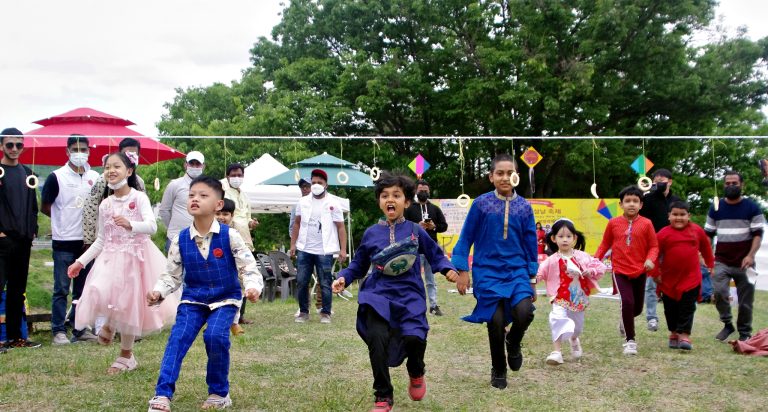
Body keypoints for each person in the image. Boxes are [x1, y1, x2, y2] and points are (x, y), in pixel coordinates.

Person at [331, 172, 462, 412]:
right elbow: (358, 265)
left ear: (407, 202)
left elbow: (435, 255)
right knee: (377, 339)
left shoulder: (415, 230)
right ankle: (383, 395)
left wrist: (448, 269)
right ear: (379, 201)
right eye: (384, 196)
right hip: (377, 294)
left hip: (410, 294)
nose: (390, 199)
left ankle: (416, 371)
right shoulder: (371, 233)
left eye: (396, 195)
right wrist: (344, 278)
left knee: (414, 338)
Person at [147, 176, 263, 411]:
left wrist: (252, 286)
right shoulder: (180, 239)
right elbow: (171, 275)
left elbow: (248, 266)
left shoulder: (230, 236)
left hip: (226, 299)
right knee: (177, 339)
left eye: (202, 195)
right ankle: (162, 395)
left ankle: (219, 393)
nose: (195, 199)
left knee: (215, 337)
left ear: (218, 205)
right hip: (193, 299)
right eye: (191, 195)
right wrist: (159, 292)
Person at [67, 152, 178, 373]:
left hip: (136, 258)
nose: (111, 171)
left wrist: (131, 225)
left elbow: (152, 226)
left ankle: (126, 355)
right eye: (107, 167)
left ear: (129, 171)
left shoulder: (138, 198)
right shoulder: (105, 205)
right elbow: (100, 239)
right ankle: (109, 322)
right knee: (99, 289)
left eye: (116, 166)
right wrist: (80, 261)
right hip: (110, 258)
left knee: (129, 305)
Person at [451, 153, 537, 390]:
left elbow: (531, 244)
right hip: (487, 272)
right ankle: (499, 368)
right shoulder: (481, 204)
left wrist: (531, 279)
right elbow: (466, 236)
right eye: (500, 173)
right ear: (491, 177)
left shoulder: (525, 207)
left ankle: (514, 341)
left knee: (524, 311)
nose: (505, 177)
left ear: (517, 176)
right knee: (496, 320)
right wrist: (462, 271)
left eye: (510, 173)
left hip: (517, 270)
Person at [41, 134, 101, 345]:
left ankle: (80, 327)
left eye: (83, 149)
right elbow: (45, 206)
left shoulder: (95, 176)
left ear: (89, 151)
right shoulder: (56, 177)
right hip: (64, 242)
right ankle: (58, 330)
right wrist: (63, 221)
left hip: (87, 243)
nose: (80, 153)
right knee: (61, 288)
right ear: (67, 152)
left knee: (83, 289)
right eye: (75, 149)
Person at [595, 185, 658, 356]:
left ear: (641, 205)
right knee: (628, 302)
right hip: (620, 269)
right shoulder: (613, 223)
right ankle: (630, 341)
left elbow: (654, 246)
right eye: (627, 201)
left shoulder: (646, 224)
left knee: (636, 308)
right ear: (621, 204)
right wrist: (594, 261)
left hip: (640, 270)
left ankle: (624, 321)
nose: (631, 204)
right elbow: (605, 244)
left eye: (635, 201)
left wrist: (650, 259)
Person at [705, 170, 765, 342]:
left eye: (734, 183)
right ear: (724, 185)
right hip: (721, 260)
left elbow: (758, 234)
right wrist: (708, 257)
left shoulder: (752, 207)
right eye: (727, 183)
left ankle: (745, 332)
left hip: (745, 261)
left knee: (746, 301)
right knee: (719, 291)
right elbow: (708, 234)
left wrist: (751, 255)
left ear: (742, 185)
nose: (731, 186)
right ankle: (727, 324)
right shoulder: (716, 207)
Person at [536, 218, 606, 365]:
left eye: (568, 236)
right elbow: (540, 273)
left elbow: (601, 268)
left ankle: (574, 339)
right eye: (561, 237)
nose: (565, 240)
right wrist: (533, 280)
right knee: (556, 318)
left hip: (578, 297)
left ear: (574, 238)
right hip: (559, 297)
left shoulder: (582, 256)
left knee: (577, 327)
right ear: (554, 239)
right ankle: (556, 352)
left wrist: (590, 271)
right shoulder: (551, 260)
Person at [652, 201, 714, 351]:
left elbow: (706, 249)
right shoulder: (663, 234)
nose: (678, 218)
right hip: (668, 280)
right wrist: (655, 273)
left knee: (687, 307)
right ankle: (673, 333)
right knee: (670, 308)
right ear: (669, 216)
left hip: (691, 278)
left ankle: (684, 335)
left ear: (689, 216)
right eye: (675, 214)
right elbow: (654, 254)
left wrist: (711, 265)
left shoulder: (697, 231)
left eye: (682, 215)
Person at [289, 168, 347, 324]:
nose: (316, 185)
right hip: (304, 249)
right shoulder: (303, 202)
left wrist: (343, 249)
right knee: (301, 281)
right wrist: (293, 244)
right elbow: (297, 224)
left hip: (324, 250)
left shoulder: (334, 203)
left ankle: (325, 312)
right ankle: (303, 312)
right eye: (313, 182)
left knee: (325, 282)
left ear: (326, 185)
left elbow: (341, 227)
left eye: (319, 182)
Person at [0, 127, 40, 350]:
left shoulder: (27, 172)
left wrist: (32, 230)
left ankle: (16, 337)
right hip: (2, 240)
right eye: (10, 145)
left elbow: (33, 206)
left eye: (19, 145)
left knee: (17, 289)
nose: (15, 149)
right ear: (1, 146)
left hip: (23, 240)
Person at [639, 168, 681, 332]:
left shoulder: (677, 201)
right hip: (652, 247)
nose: (658, 182)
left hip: (673, 246)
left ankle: (675, 318)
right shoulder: (647, 199)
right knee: (650, 283)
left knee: (673, 282)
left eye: (662, 180)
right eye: (655, 180)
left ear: (670, 181)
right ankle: (652, 318)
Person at [83, 138, 145, 248]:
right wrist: (88, 240)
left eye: (134, 155)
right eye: (126, 155)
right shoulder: (103, 180)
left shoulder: (139, 183)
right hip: (107, 239)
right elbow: (90, 208)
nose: (130, 158)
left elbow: (143, 214)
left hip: (132, 241)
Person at [404, 179, 448, 316]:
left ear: (429, 191)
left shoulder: (435, 208)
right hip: (414, 248)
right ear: (416, 191)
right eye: (420, 189)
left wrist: (433, 226)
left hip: (430, 248)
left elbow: (444, 226)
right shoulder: (410, 208)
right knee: (413, 277)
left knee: (431, 279)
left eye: (425, 190)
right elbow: (403, 225)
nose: (423, 192)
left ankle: (433, 305)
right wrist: (417, 226)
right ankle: (414, 305)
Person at [222, 163, 259, 325]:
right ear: (228, 175)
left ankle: (240, 315)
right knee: (227, 278)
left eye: (239, 175)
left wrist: (252, 223)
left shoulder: (244, 196)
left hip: (245, 241)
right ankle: (225, 315)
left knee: (244, 277)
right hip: (228, 240)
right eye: (234, 174)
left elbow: (247, 217)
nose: (237, 178)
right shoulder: (221, 192)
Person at [159, 150, 206, 252]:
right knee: (175, 268)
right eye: (191, 163)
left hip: (201, 238)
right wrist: (173, 227)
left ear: (203, 166)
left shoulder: (208, 187)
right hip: (176, 238)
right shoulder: (175, 184)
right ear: (185, 165)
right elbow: (164, 210)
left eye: (197, 164)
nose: (194, 166)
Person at [289, 177, 323, 314]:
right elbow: (292, 227)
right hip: (303, 248)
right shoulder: (297, 206)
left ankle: (321, 305)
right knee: (303, 278)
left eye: (307, 186)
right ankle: (304, 306)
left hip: (321, 247)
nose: (305, 189)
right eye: (302, 186)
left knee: (323, 278)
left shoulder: (323, 204)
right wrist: (294, 244)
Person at [215, 198, 246, 336]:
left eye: (225, 214)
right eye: (218, 214)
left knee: (237, 296)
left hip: (233, 272)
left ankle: (234, 322)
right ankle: (213, 323)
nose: (221, 217)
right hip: (216, 272)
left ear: (232, 216)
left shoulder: (235, 233)